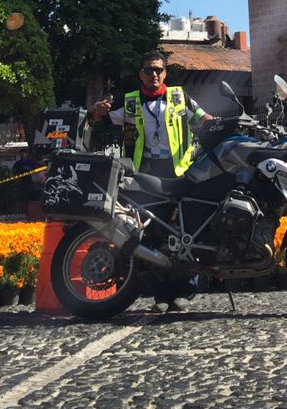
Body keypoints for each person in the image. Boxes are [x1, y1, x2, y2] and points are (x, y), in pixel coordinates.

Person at [90, 52, 211, 314]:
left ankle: (185, 291)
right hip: (145, 174)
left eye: (158, 70)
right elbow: (101, 117)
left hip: (179, 171)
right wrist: (97, 110)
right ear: (140, 75)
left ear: (165, 73)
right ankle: (161, 295)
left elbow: (205, 120)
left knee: (185, 230)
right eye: (148, 70)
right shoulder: (129, 101)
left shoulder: (180, 97)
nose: (153, 74)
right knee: (152, 234)